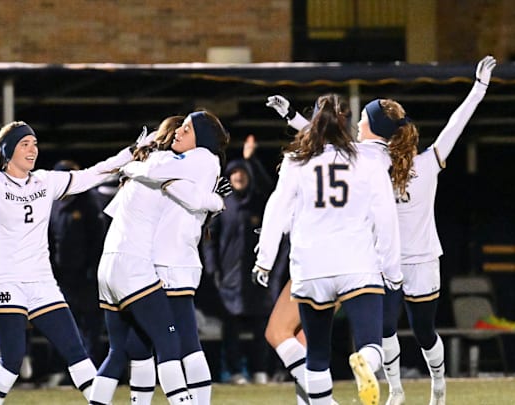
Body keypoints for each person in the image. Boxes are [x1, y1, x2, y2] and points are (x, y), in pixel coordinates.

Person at [268, 55, 497, 405]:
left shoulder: (407, 162)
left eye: (362, 119)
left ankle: (438, 384)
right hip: (383, 260)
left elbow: (322, 139)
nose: (357, 124)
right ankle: (395, 391)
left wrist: (293, 118)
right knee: (386, 330)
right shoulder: (370, 158)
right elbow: (328, 140)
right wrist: (478, 87)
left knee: (422, 332)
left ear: (374, 127)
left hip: (415, 260)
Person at [0, 121, 138, 404]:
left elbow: (93, 174)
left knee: (76, 352)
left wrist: (131, 152)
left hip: (42, 281)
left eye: (35, 143)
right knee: (11, 363)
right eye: (25, 144)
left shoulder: (46, 181)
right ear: (8, 151)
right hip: (3, 280)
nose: (33, 149)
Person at [254, 94, 402, 405]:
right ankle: (365, 363)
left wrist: (264, 259)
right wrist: (392, 270)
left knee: (317, 355)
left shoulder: (297, 161)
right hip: (356, 262)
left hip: (311, 267)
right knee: (370, 343)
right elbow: (386, 219)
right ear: (346, 125)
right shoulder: (369, 161)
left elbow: (276, 208)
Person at [88, 111, 229, 405]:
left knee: (130, 349)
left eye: (185, 129)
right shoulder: (167, 163)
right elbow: (187, 195)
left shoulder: (182, 160)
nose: (178, 133)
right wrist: (215, 201)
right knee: (174, 342)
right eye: (177, 129)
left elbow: (115, 209)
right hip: (144, 263)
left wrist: (131, 166)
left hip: (115, 262)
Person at [201, 135, 277, 386]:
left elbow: (270, 188)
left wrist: (250, 160)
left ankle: (259, 370)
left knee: (260, 328)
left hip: (256, 276)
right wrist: (213, 270)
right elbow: (210, 239)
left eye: (242, 174)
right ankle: (235, 372)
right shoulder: (223, 205)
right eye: (234, 175)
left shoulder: (260, 202)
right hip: (230, 278)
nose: (238, 178)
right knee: (231, 330)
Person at [48, 159, 106, 370]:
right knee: (67, 324)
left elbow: (96, 238)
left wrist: (92, 268)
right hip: (63, 275)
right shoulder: (53, 205)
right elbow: (50, 239)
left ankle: (92, 368)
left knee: (91, 323)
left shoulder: (88, 202)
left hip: (86, 275)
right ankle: (69, 369)